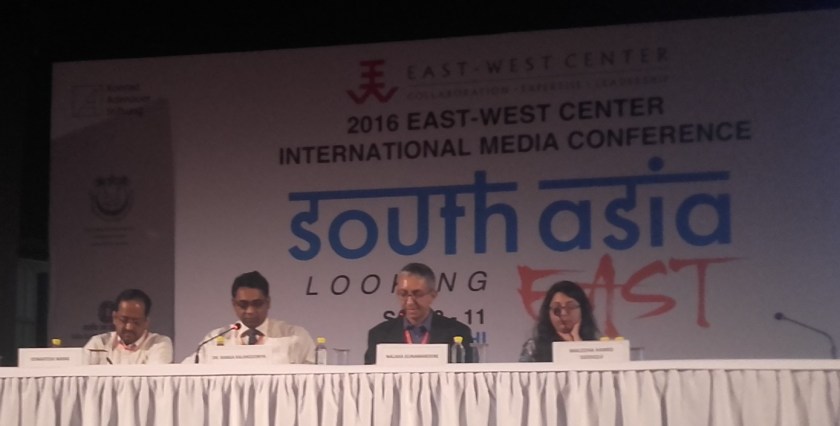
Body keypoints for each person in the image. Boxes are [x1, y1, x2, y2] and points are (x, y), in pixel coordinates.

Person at [191, 271, 316, 363]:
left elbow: (317, 379)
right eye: (243, 305)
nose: (250, 311)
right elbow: (185, 374)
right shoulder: (215, 339)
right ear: (234, 304)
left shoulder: (295, 337)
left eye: (257, 304)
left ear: (268, 302)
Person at [364, 262, 475, 364]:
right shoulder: (379, 335)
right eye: (403, 294)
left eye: (417, 294)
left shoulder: (458, 332)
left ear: (433, 295)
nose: (410, 302)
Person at [83, 288, 173, 364]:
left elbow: (155, 380)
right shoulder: (99, 343)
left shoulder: (159, 344)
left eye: (136, 322)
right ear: (114, 317)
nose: (129, 327)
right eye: (123, 320)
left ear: (146, 322)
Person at [519, 280, 601, 362]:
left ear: (582, 310)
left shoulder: (597, 346)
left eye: (570, 307)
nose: (563, 313)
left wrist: (577, 344)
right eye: (556, 309)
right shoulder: (534, 347)